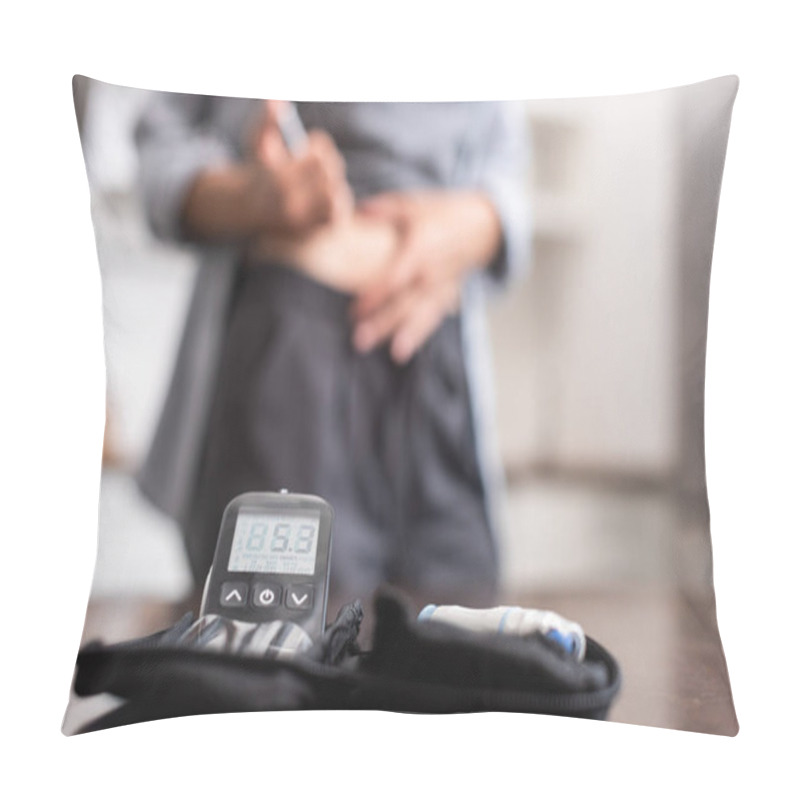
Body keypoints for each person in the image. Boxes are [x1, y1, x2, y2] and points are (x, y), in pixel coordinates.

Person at [134, 94, 531, 610]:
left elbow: (505, 162)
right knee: (271, 650)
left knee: (467, 654)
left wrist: (481, 222)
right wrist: (253, 196)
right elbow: (161, 146)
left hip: (438, 363)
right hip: (289, 367)